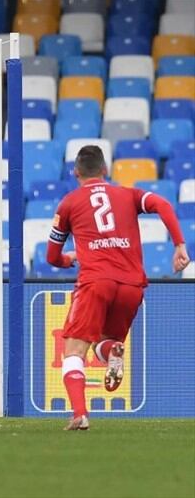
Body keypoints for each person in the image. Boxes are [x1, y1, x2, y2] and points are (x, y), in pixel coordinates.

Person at [47, 145, 190, 431]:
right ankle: (113, 348)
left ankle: (80, 414)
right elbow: (163, 204)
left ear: (75, 173)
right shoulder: (128, 194)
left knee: (74, 350)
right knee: (105, 342)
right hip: (132, 285)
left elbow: (52, 257)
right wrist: (179, 244)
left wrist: (68, 259)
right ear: (105, 170)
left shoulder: (68, 204)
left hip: (95, 282)